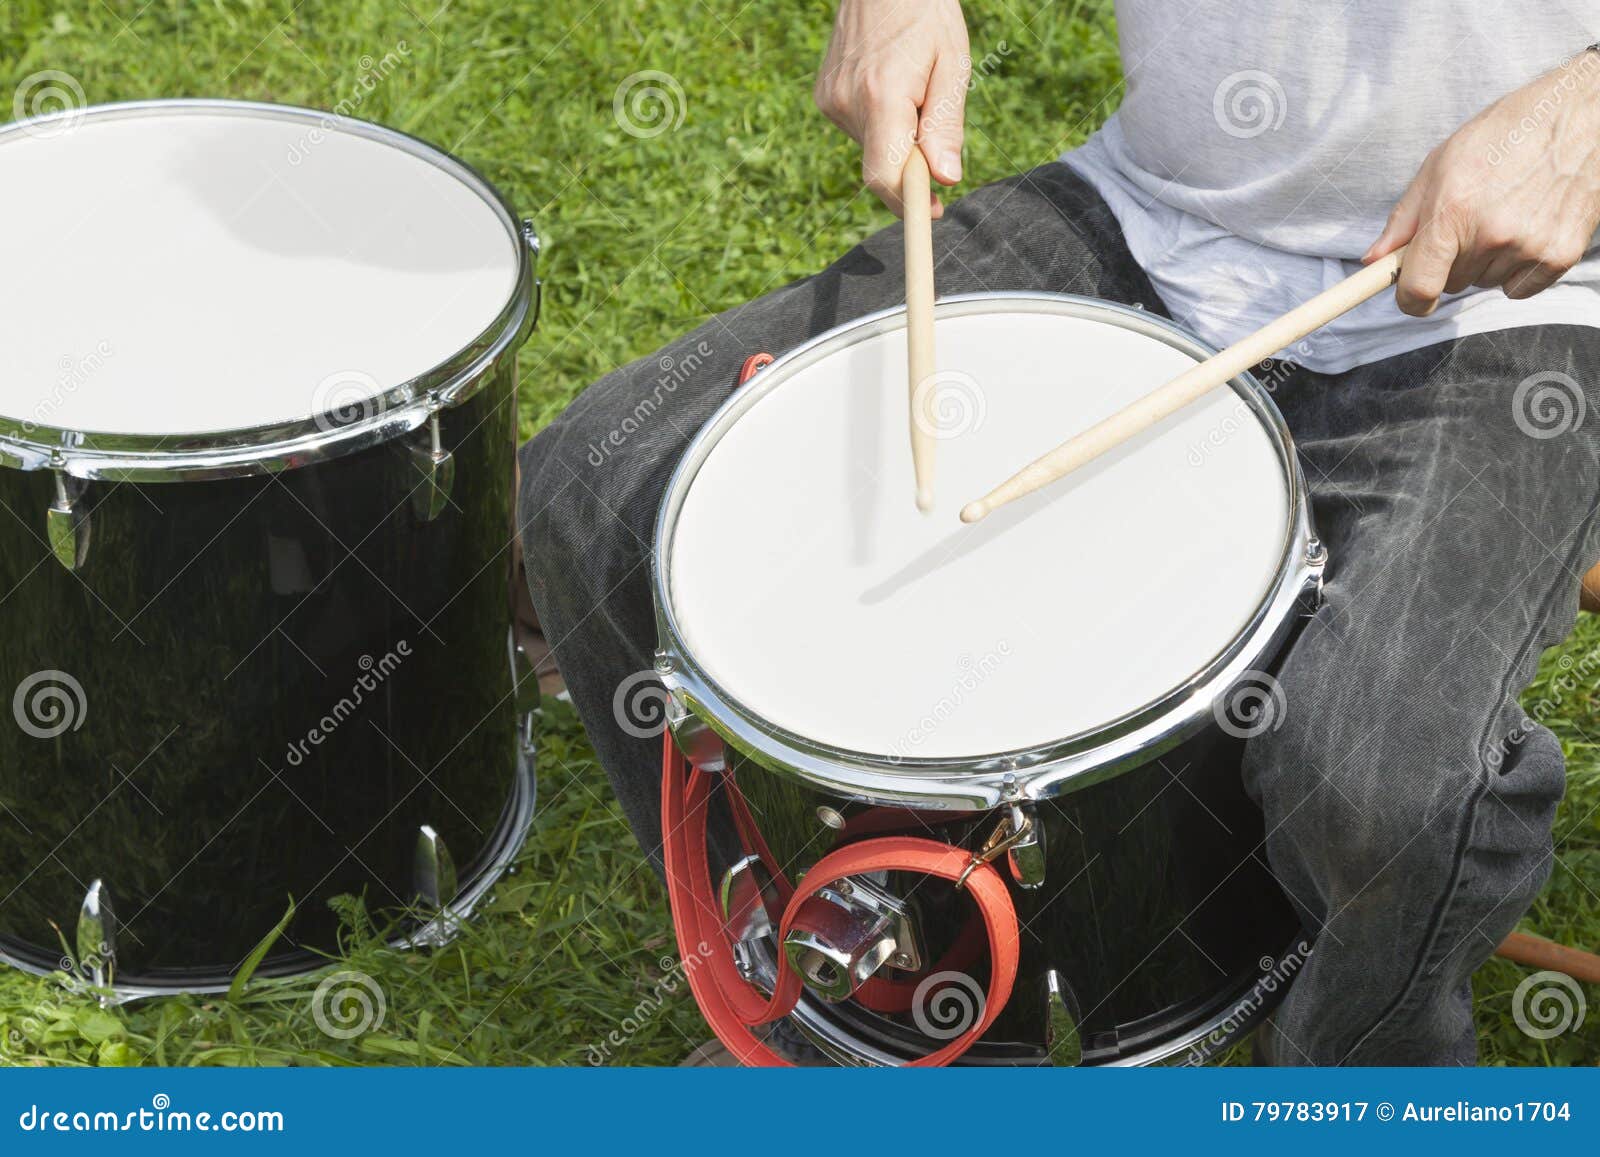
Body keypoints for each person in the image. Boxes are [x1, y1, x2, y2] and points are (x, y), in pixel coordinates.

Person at [518, 0, 1600, 1064]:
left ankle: (1339, 1077)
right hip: (1152, 212)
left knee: (1381, 782)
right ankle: (823, 1012)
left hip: (1512, 297)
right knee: (602, 495)